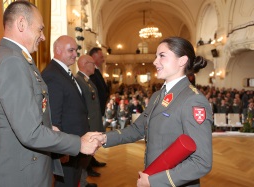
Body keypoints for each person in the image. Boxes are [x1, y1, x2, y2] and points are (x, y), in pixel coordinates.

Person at [0, 2, 100, 187]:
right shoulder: (12, 62)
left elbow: (27, 119)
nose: (43, 37)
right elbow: (30, 133)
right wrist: (79, 144)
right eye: (40, 29)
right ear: (22, 24)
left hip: (26, 167)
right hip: (18, 175)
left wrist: (51, 132)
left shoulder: (16, 59)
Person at [91, 36, 213, 187]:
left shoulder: (193, 101)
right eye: (156, 56)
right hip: (153, 176)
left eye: (162, 56)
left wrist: (154, 181)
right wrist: (104, 138)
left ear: (182, 61)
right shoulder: (158, 96)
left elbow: (201, 161)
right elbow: (137, 129)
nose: (155, 62)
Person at [42, 35, 92, 187]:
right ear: (58, 50)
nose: (75, 55)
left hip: (74, 145)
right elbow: (53, 118)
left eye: (76, 50)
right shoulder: (52, 74)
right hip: (67, 147)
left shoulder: (64, 72)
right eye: (71, 50)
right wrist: (60, 150)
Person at [75, 55, 105, 187]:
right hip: (87, 126)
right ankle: (81, 183)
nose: (95, 66)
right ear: (85, 64)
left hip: (93, 124)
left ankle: (83, 181)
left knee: (86, 159)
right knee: (83, 159)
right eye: (92, 64)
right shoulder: (79, 80)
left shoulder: (86, 80)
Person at [88, 47, 108, 176]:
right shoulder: (90, 73)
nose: (103, 59)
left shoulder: (96, 70)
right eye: (101, 57)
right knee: (91, 138)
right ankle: (88, 165)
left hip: (99, 110)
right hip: (93, 112)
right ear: (94, 57)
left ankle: (92, 160)